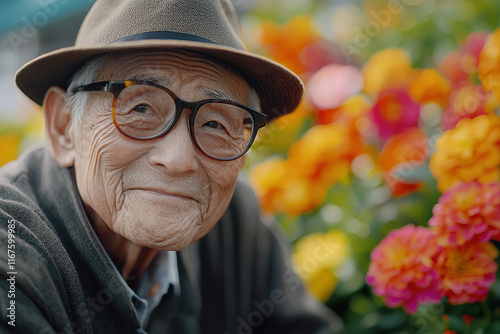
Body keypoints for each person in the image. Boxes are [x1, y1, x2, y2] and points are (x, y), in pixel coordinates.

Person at [0, 0, 344, 333]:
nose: (178, 160)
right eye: (141, 109)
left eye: (215, 124)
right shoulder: (11, 260)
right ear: (63, 128)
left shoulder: (235, 220)